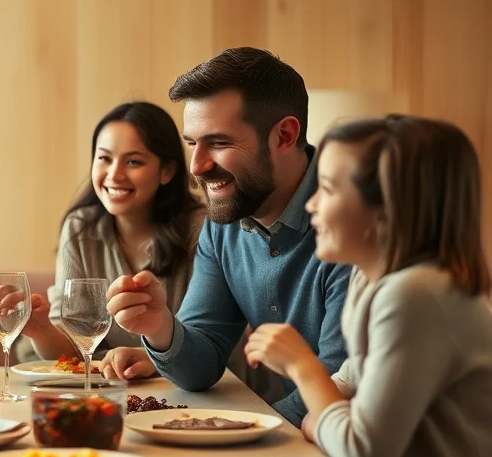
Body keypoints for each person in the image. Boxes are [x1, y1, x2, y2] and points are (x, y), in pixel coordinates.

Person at [244, 115, 492, 457]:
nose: (311, 204)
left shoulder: (415, 296)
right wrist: (321, 413)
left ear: (387, 210)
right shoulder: (372, 283)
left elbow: (363, 449)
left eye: (330, 189)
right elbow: (351, 383)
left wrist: (303, 368)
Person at [106, 48, 350, 426]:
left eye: (218, 143)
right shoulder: (224, 222)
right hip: (297, 444)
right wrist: (160, 327)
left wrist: (235, 430)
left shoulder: (354, 222)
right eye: (192, 144)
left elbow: (339, 390)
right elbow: (201, 367)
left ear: (284, 135)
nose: (196, 167)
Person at [15, 101, 207, 381]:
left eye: (133, 162)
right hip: (110, 390)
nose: (114, 174)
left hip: (190, 389)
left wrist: (156, 359)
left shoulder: (202, 230)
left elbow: (208, 341)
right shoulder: (81, 228)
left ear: (166, 171)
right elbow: (72, 351)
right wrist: (40, 328)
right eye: (104, 158)